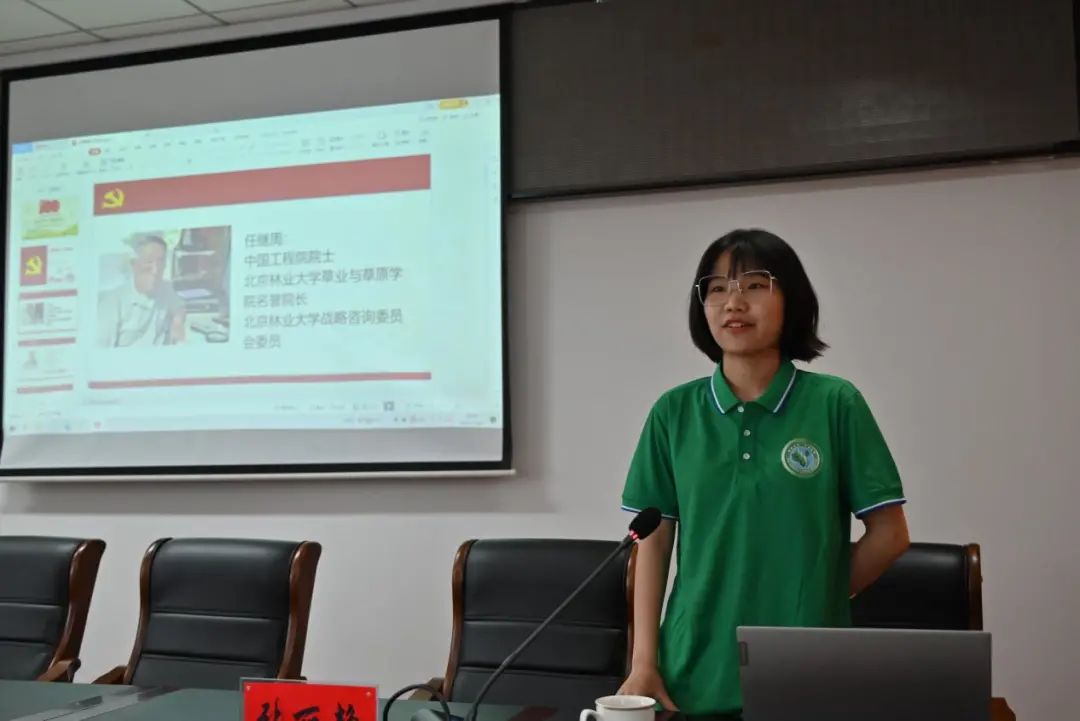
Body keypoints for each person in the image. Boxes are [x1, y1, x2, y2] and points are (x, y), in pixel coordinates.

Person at [618, 229, 910, 715]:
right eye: (716, 288)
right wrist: (643, 662)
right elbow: (654, 542)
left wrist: (815, 598)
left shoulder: (836, 403)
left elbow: (891, 533)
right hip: (692, 668)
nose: (733, 302)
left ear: (791, 299)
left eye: (755, 285)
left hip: (806, 666)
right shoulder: (674, 412)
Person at [97, 233, 187, 347]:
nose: (155, 270)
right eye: (148, 261)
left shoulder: (166, 288)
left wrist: (177, 321)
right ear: (133, 264)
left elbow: (178, 305)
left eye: (160, 262)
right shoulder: (111, 304)